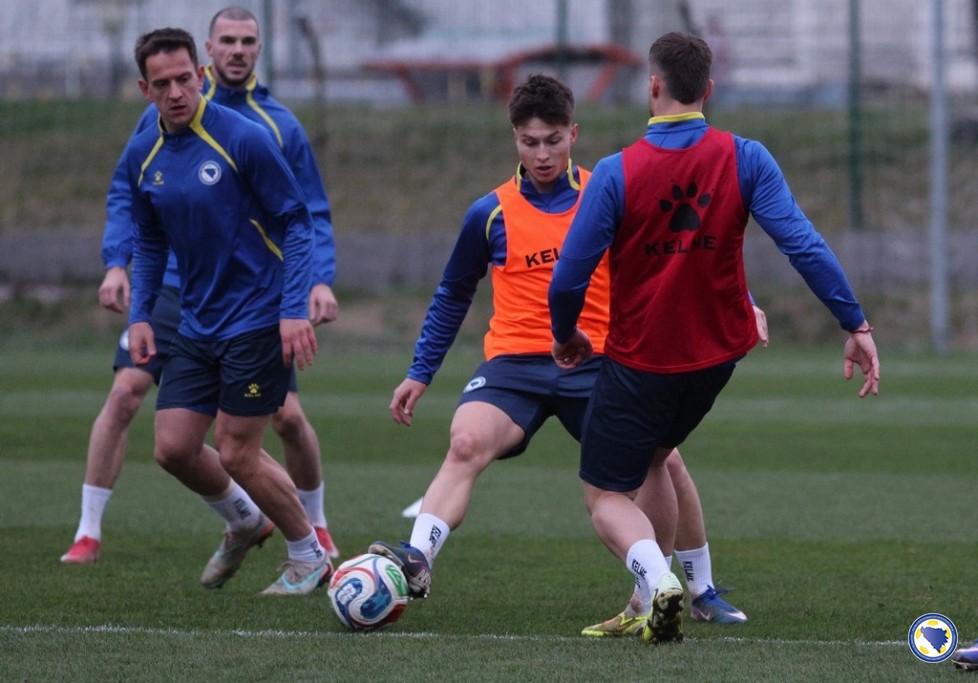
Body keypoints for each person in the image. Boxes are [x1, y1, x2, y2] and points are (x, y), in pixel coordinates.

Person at [366, 74, 754, 628]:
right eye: (530, 142)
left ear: (574, 134)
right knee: (466, 440)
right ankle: (418, 558)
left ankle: (699, 589)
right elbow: (453, 293)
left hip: (597, 361)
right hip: (514, 365)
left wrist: (746, 301)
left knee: (663, 459)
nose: (543, 154)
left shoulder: (609, 191)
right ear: (515, 139)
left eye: (553, 140)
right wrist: (420, 372)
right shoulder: (489, 213)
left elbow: (681, 257)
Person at [548, 31, 880, 645]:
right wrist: (854, 323)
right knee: (656, 457)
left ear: (653, 85)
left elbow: (568, 278)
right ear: (708, 89)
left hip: (642, 359)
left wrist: (565, 334)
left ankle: (659, 580)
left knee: (604, 494)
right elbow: (802, 244)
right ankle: (655, 599)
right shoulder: (746, 157)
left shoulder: (616, 172)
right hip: (717, 357)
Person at [60, 6, 341, 572]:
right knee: (169, 442)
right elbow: (146, 230)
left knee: (256, 437)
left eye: (183, 79)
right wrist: (136, 304)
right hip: (189, 307)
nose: (175, 92)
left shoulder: (261, 131)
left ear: (199, 71)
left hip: (256, 307)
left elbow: (301, 216)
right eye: (162, 84)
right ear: (146, 89)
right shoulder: (145, 146)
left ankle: (312, 548)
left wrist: (306, 293)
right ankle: (239, 519)